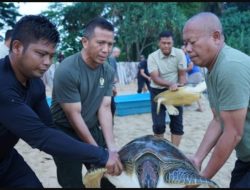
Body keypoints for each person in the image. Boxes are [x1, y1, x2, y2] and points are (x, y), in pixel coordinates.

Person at [0, 15, 123, 188]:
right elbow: (40, 137)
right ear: (17, 47)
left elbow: (48, 127)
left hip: (5, 157)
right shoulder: (3, 86)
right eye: (41, 54)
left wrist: (103, 152)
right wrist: (101, 155)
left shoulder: (35, 83)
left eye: (51, 56)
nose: (47, 63)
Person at [50, 17, 120, 188]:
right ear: (85, 42)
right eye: (101, 43)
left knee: (107, 178)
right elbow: (74, 115)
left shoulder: (108, 70)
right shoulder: (67, 70)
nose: (106, 49)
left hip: (92, 127)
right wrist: (98, 152)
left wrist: (111, 149)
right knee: (72, 182)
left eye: (110, 44)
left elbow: (104, 108)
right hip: (65, 131)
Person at [182, 12, 250, 188]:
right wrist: (197, 159)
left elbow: (233, 133)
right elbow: (219, 119)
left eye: (193, 42)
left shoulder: (230, 66)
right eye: (185, 43)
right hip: (245, 157)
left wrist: (202, 178)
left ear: (216, 37)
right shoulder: (211, 69)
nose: (187, 49)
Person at [147, 31, 187, 147]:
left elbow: (182, 75)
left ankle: (174, 151)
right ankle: (161, 151)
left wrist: (181, 86)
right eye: (163, 43)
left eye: (169, 43)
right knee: (158, 125)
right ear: (159, 43)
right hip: (157, 91)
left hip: (175, 91)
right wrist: (170, 84)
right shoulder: (152, 57)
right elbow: (155, 78)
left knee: (177, 124)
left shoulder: (180, 54)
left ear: (172, 42)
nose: (166, 46)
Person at [181, 45, 203, 112]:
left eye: (182, 49)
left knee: (185, 87)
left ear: (185, 50)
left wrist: (182, 71)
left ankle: (184, 104)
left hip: (194, 74)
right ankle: (190, 103)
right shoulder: (189, 56)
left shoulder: (186, 57)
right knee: (194, 90)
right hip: (198, 74)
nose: (181, 51)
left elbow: (190, 67)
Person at [108, 46, 120, 120]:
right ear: (115, 52)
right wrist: (115, 78)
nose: (119, 54)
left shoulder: (111, 58)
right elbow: (112, 70)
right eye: (118, 52)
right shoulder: (111, 58)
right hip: (110, 83)